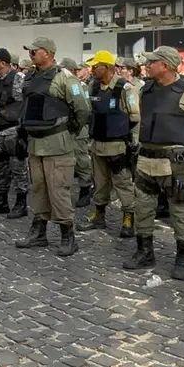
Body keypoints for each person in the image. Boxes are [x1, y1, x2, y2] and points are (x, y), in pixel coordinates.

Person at [123, 46, 184, 280]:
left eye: (152, 62)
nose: (147, 65)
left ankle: (183, 257)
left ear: (164, 65)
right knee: (143, 208)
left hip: (174, 165)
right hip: (146, 161)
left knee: (180, 211)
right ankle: (145, 251)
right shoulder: (147, 90)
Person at [14, 36, 90, 257]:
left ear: (47, 53)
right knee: (38, 188)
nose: (31, 54)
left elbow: (83, 110)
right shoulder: (29, 78)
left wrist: (69, 131)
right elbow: (26, 108)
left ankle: (68, 236)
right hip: (35, 144)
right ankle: (39, 232)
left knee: (59, 190)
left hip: (57, 143)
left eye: (34, 51)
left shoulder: (65, 78)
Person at [78, 50, 140, 238]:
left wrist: (134, 144)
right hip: (97, 144)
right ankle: (99, 215)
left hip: (117, 146)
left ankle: (128, 218)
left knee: (122, 183)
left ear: (107, 67)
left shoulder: (125, 88)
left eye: (96, 66)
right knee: (100, 182)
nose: (93, 69)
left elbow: (135, 117)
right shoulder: (93, 86)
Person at [0, 48, 28, 218]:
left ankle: (21, 203)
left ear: (3, 63)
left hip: (14, 131)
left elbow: (26, 102)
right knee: (1, 169)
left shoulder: (18, 78)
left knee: (19, 169)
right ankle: (1, 201)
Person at [60, 58, 93, 207]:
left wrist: (77, 124)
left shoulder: (81, 86)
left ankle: (86, 188)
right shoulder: (62, 84)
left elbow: (85, 108)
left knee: (81, 160)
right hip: (65, 127)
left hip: (78, 128)